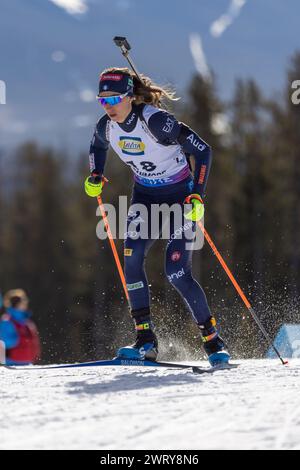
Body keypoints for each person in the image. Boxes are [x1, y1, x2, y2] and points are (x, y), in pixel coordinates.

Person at [85, 67, 230, 366]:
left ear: (129, 97)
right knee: (132, 257)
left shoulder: (156, 121)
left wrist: (197, 195)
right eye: (102, 101)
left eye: (114, 99)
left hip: (180, 198)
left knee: (176, 271)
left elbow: (203, 152)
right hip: (146, 197)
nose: (108, 107)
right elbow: (97, 145)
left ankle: (213, 341)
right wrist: (96, 174)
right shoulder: (107, 127)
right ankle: (145, 340)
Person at [0, 289, 41, 365]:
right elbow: (4, 342)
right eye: (23, 302)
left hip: (28, 362)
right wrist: (19, 338)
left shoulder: (26, 321)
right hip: (12, 363)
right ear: (17, 304)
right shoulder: (7, 321)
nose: (26, 304)